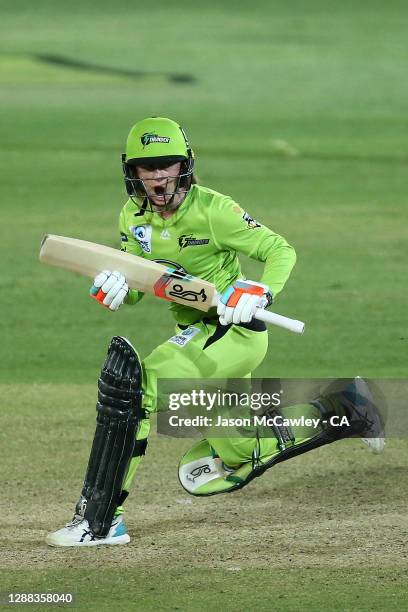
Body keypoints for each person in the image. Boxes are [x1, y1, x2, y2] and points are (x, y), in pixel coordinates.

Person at [46, 117, 385, 547]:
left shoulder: (214, 210)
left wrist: (260, 289)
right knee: (240, 451)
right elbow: (138, 285)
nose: (158, 176)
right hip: (200, 333)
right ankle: (349, 406)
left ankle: (101, 521)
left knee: (139, 385)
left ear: (184, 165)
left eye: (167, 164)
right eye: (147, 167)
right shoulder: (131, 217)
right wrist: (111, 288)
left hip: (234, 330)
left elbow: (280, 249)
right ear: (131, 172)